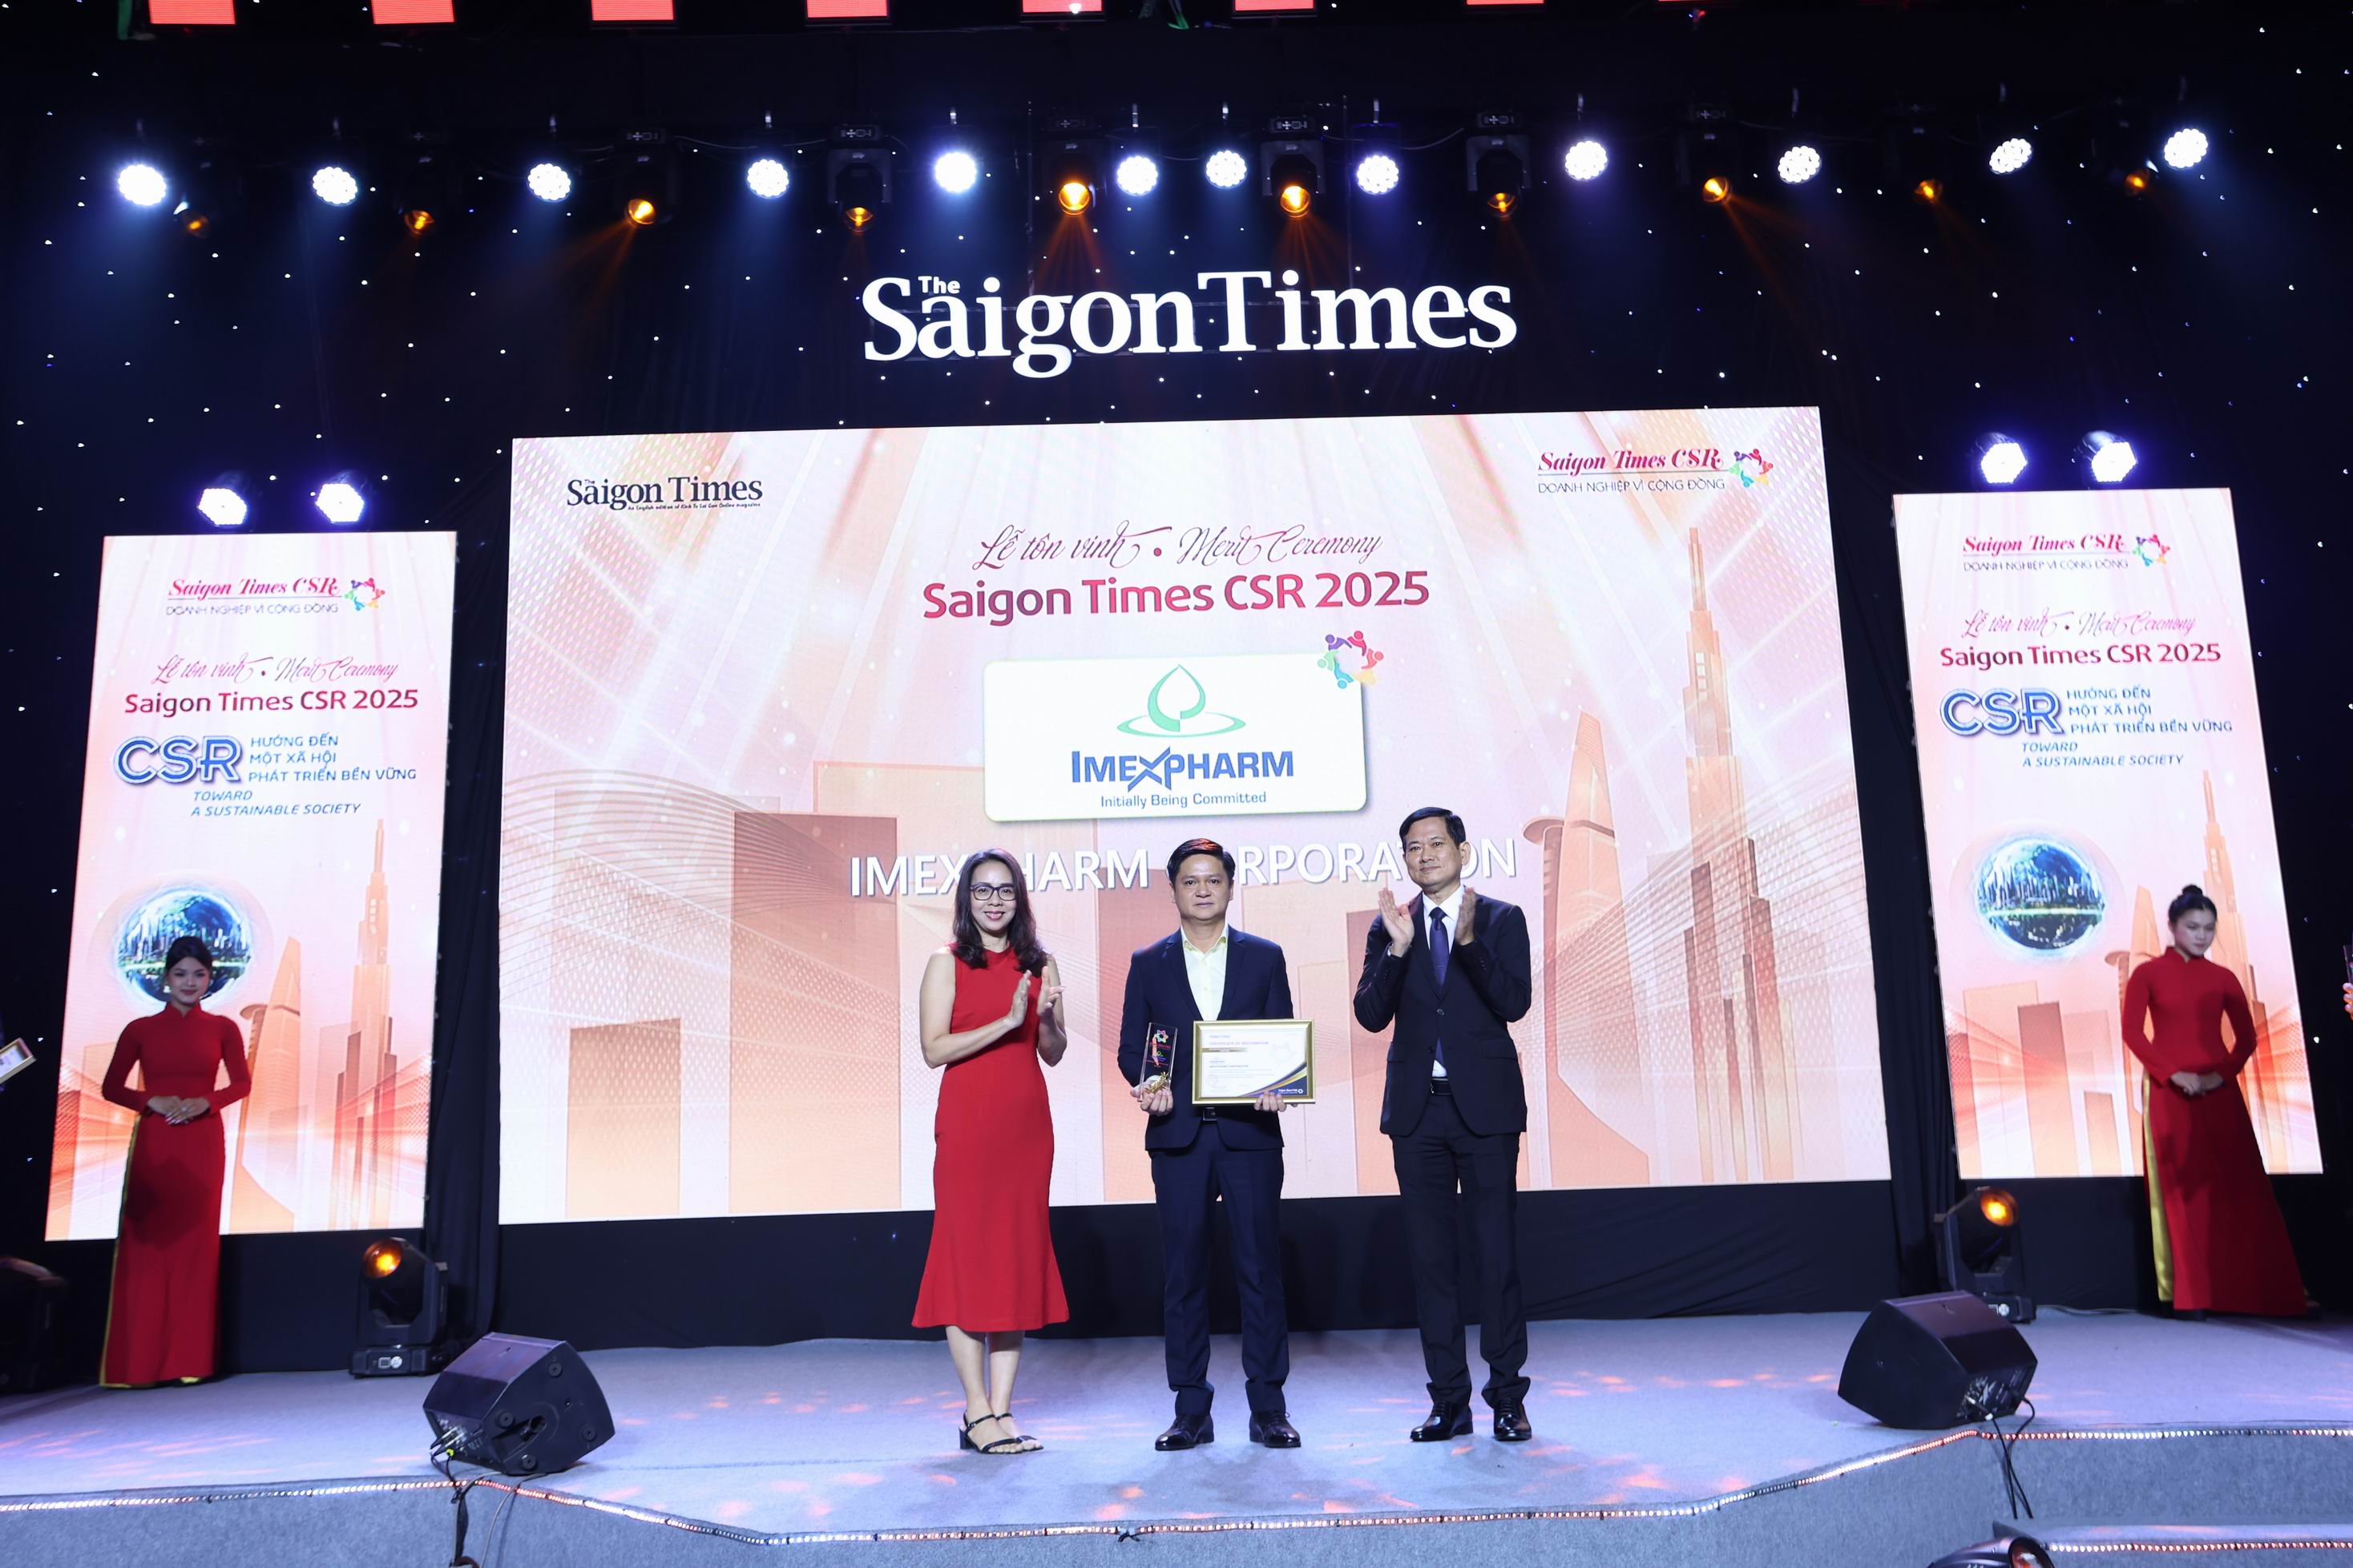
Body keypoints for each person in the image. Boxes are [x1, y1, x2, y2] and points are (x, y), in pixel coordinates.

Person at [1354, 807, 1536, 1443]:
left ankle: (1507, 1399)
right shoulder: (1391, 926)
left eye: (1436, 843)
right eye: (1413, 847)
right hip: (1418, 1112)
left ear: (1463, 850)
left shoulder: (1502, 919)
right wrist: (1398, 950)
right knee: (1432, 1262)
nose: (1425, 854)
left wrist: (1469, 942)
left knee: (1496, 1257)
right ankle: (1448, 1401)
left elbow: (1514, 1001)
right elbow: (1369, 1014)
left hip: (1485, 1110)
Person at [1116, 839, 1299, 1452]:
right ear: (1173, 889)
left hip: (1251, 1137)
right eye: (1190, 880)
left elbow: (1280, 1041)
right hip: (1179, 1137)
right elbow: (1132, 1048)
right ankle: (1190, 1408)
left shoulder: (1265, 956)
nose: (1202, 889)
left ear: (1230, 886)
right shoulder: (1149, 961)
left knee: (1260, 1271)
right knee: (1184, 1275)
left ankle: (1269, 1407)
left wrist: (1279, 1084)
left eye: (1213, 879)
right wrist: (1150, 1085)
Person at [913, 850, 1069, 1456]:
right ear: (966, 898)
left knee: (1014, 1259)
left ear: (1020, 897)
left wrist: (1045, 1019)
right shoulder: (946, 962)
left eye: (1005, 890)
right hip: (968, 1127)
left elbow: (1052, 1051)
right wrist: (1007, 1021)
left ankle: (1002, 1410)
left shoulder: (1041, 964)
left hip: (1025, 1129)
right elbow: (934, 1049)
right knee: (964, 1259)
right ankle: (975, 1409)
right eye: (983, 890)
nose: (995, 900)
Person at [2121, 885, 2308, 1319]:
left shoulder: (2223, 978)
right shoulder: (2147, 974)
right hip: (2168, 1091)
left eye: (2208, 928)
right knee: (2181, 1193)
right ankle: (2192, 1296)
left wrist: (2216, 1076)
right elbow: (2132, 1033)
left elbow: (2246, 1039)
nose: (2201, 935)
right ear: (2172, 927)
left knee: (2239, 1186)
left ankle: (2257, 1291)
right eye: (2193, 927)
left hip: (2218, 1090)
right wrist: (2173, 1073)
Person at [99, 935, 252, 1387]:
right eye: (181, 974)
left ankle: (190, 1361)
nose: (190, 982)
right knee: (146, 1250)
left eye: (199, 975)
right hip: (156, 1142)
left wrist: (208, 1101)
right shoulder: (140, 1030)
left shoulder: (223, 1028)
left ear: (210, 979)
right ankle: (137, 1366)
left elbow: (241, 1084)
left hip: (202, 1143)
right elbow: (112, 1087)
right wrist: (151, 1100)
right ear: (166, 978)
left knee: (195, 1251)